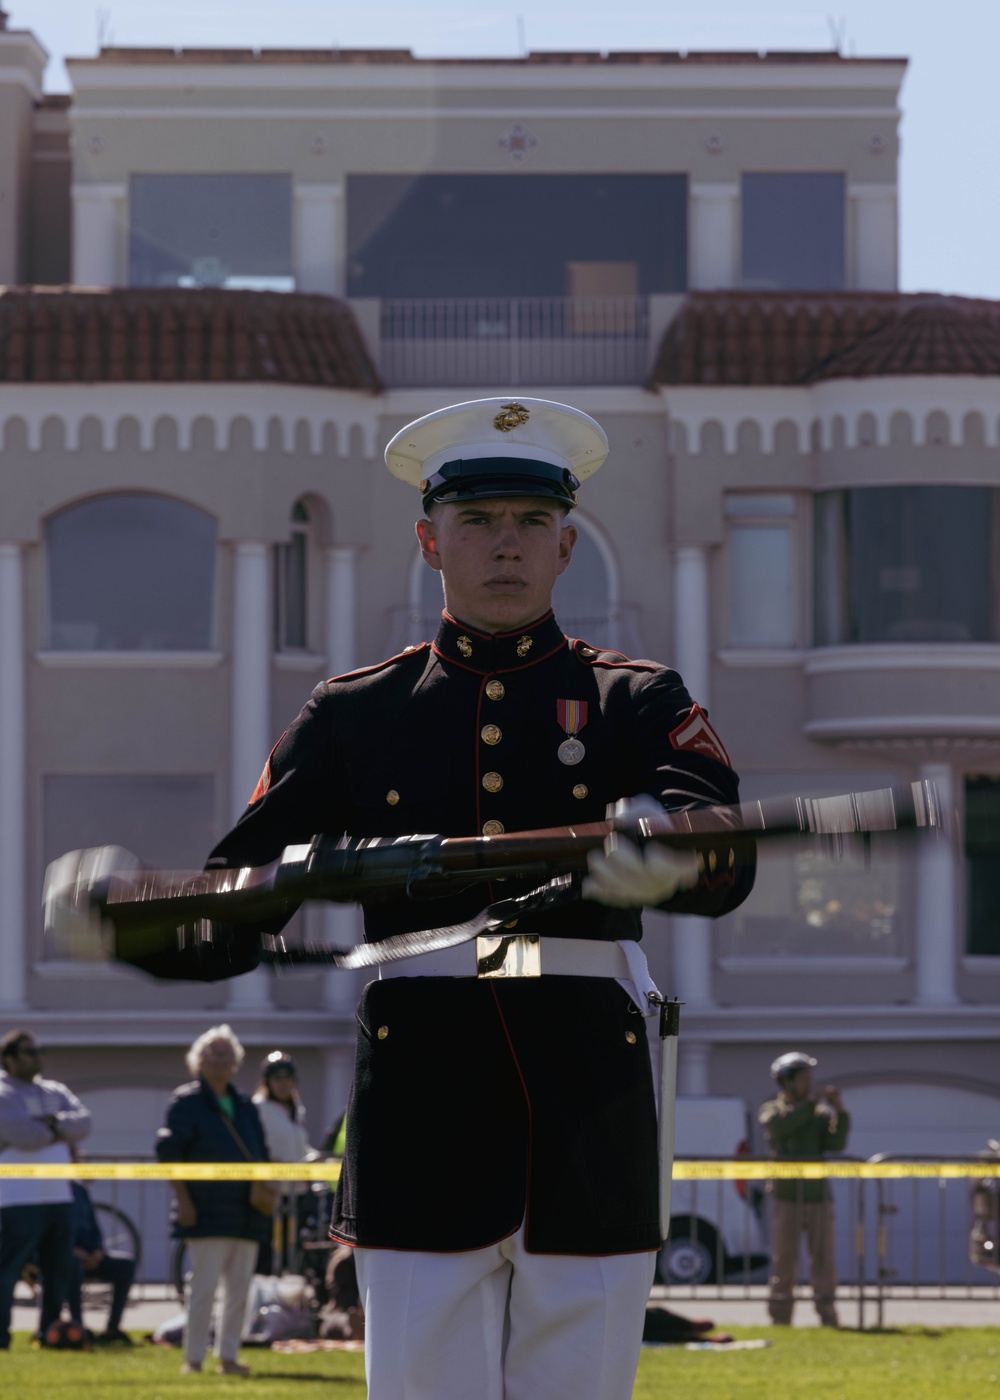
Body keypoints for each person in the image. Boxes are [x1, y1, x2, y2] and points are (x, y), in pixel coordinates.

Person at [196, 398, 755, 1397]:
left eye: (531, 523)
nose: (507, 545)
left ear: (567, 543)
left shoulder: (638, 696)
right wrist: (139, 918)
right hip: (422, 1105)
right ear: (428, 540)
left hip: (588, 1091)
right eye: (479, 521)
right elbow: (235, 901)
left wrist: (670, 855)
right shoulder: (353, 712)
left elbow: (720, 843)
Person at [156, 1025, 270, 1376]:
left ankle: (229, 1357)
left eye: (226, 1054)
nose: (219, 1060)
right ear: (198, 1061)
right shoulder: (185, 1102)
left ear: (236, 1062)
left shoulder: (247, 1106)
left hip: (247, 1212)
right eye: (212, 1053)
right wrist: (184, 1202)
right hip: (204, 1210)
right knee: (202, 1288)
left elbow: (261, 1155)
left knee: (240, 1292)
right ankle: (193, 1360)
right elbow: (169, 1153)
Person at [0, 1029, 92, 1350]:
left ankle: (49, 1335)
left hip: (59, 1196)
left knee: (58, 1271)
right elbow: (21, 1133)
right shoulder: (3, 1092)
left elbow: (83, 1123)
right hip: (16, 1199)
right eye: (29, 1052)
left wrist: (49, 1125)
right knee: (7, 1270)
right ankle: (1, 1336)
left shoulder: (55, 1090)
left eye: (39, 1051)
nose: (37, 1057)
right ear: (9, 1059)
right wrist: (57, 1128)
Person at [759, 1050, 851, 1327]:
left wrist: (840, 1111)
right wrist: (812, 1105)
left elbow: (835, 1144)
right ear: (786, 1082)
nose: (810, 1084)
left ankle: (828, 1316)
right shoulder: (772, 1110)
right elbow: (780, 1127)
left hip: (818, 1197)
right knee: (784, 1261)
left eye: (810, 1078)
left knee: (823, 1260)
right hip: (787, 1198)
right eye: (803, 1078)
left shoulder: (819, 1113)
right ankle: (780, 1318)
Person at [252, 1051, 315, 1274]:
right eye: (276, 1078)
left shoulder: (296, 1108)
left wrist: (314, 1160)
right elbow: (254, 1144)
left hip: (296, 1192)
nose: (282, 1083)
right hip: (271, 1193)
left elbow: (299, 1145)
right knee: (269, 1252)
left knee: (294, 1250)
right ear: (267, 1081)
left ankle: (289, 1300)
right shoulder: (259, 1107)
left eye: (287, 1077)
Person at [65, 1176, 136, 1344]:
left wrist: (98, 1251)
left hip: (92, 1256)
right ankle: (79, 1326)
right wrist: (73, 1251)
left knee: (126, 1265)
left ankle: (112, 1329)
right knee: (73, 1264)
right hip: (64, 1257)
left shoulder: (80, 1191)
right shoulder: (51, 1192)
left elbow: (94, 1228)